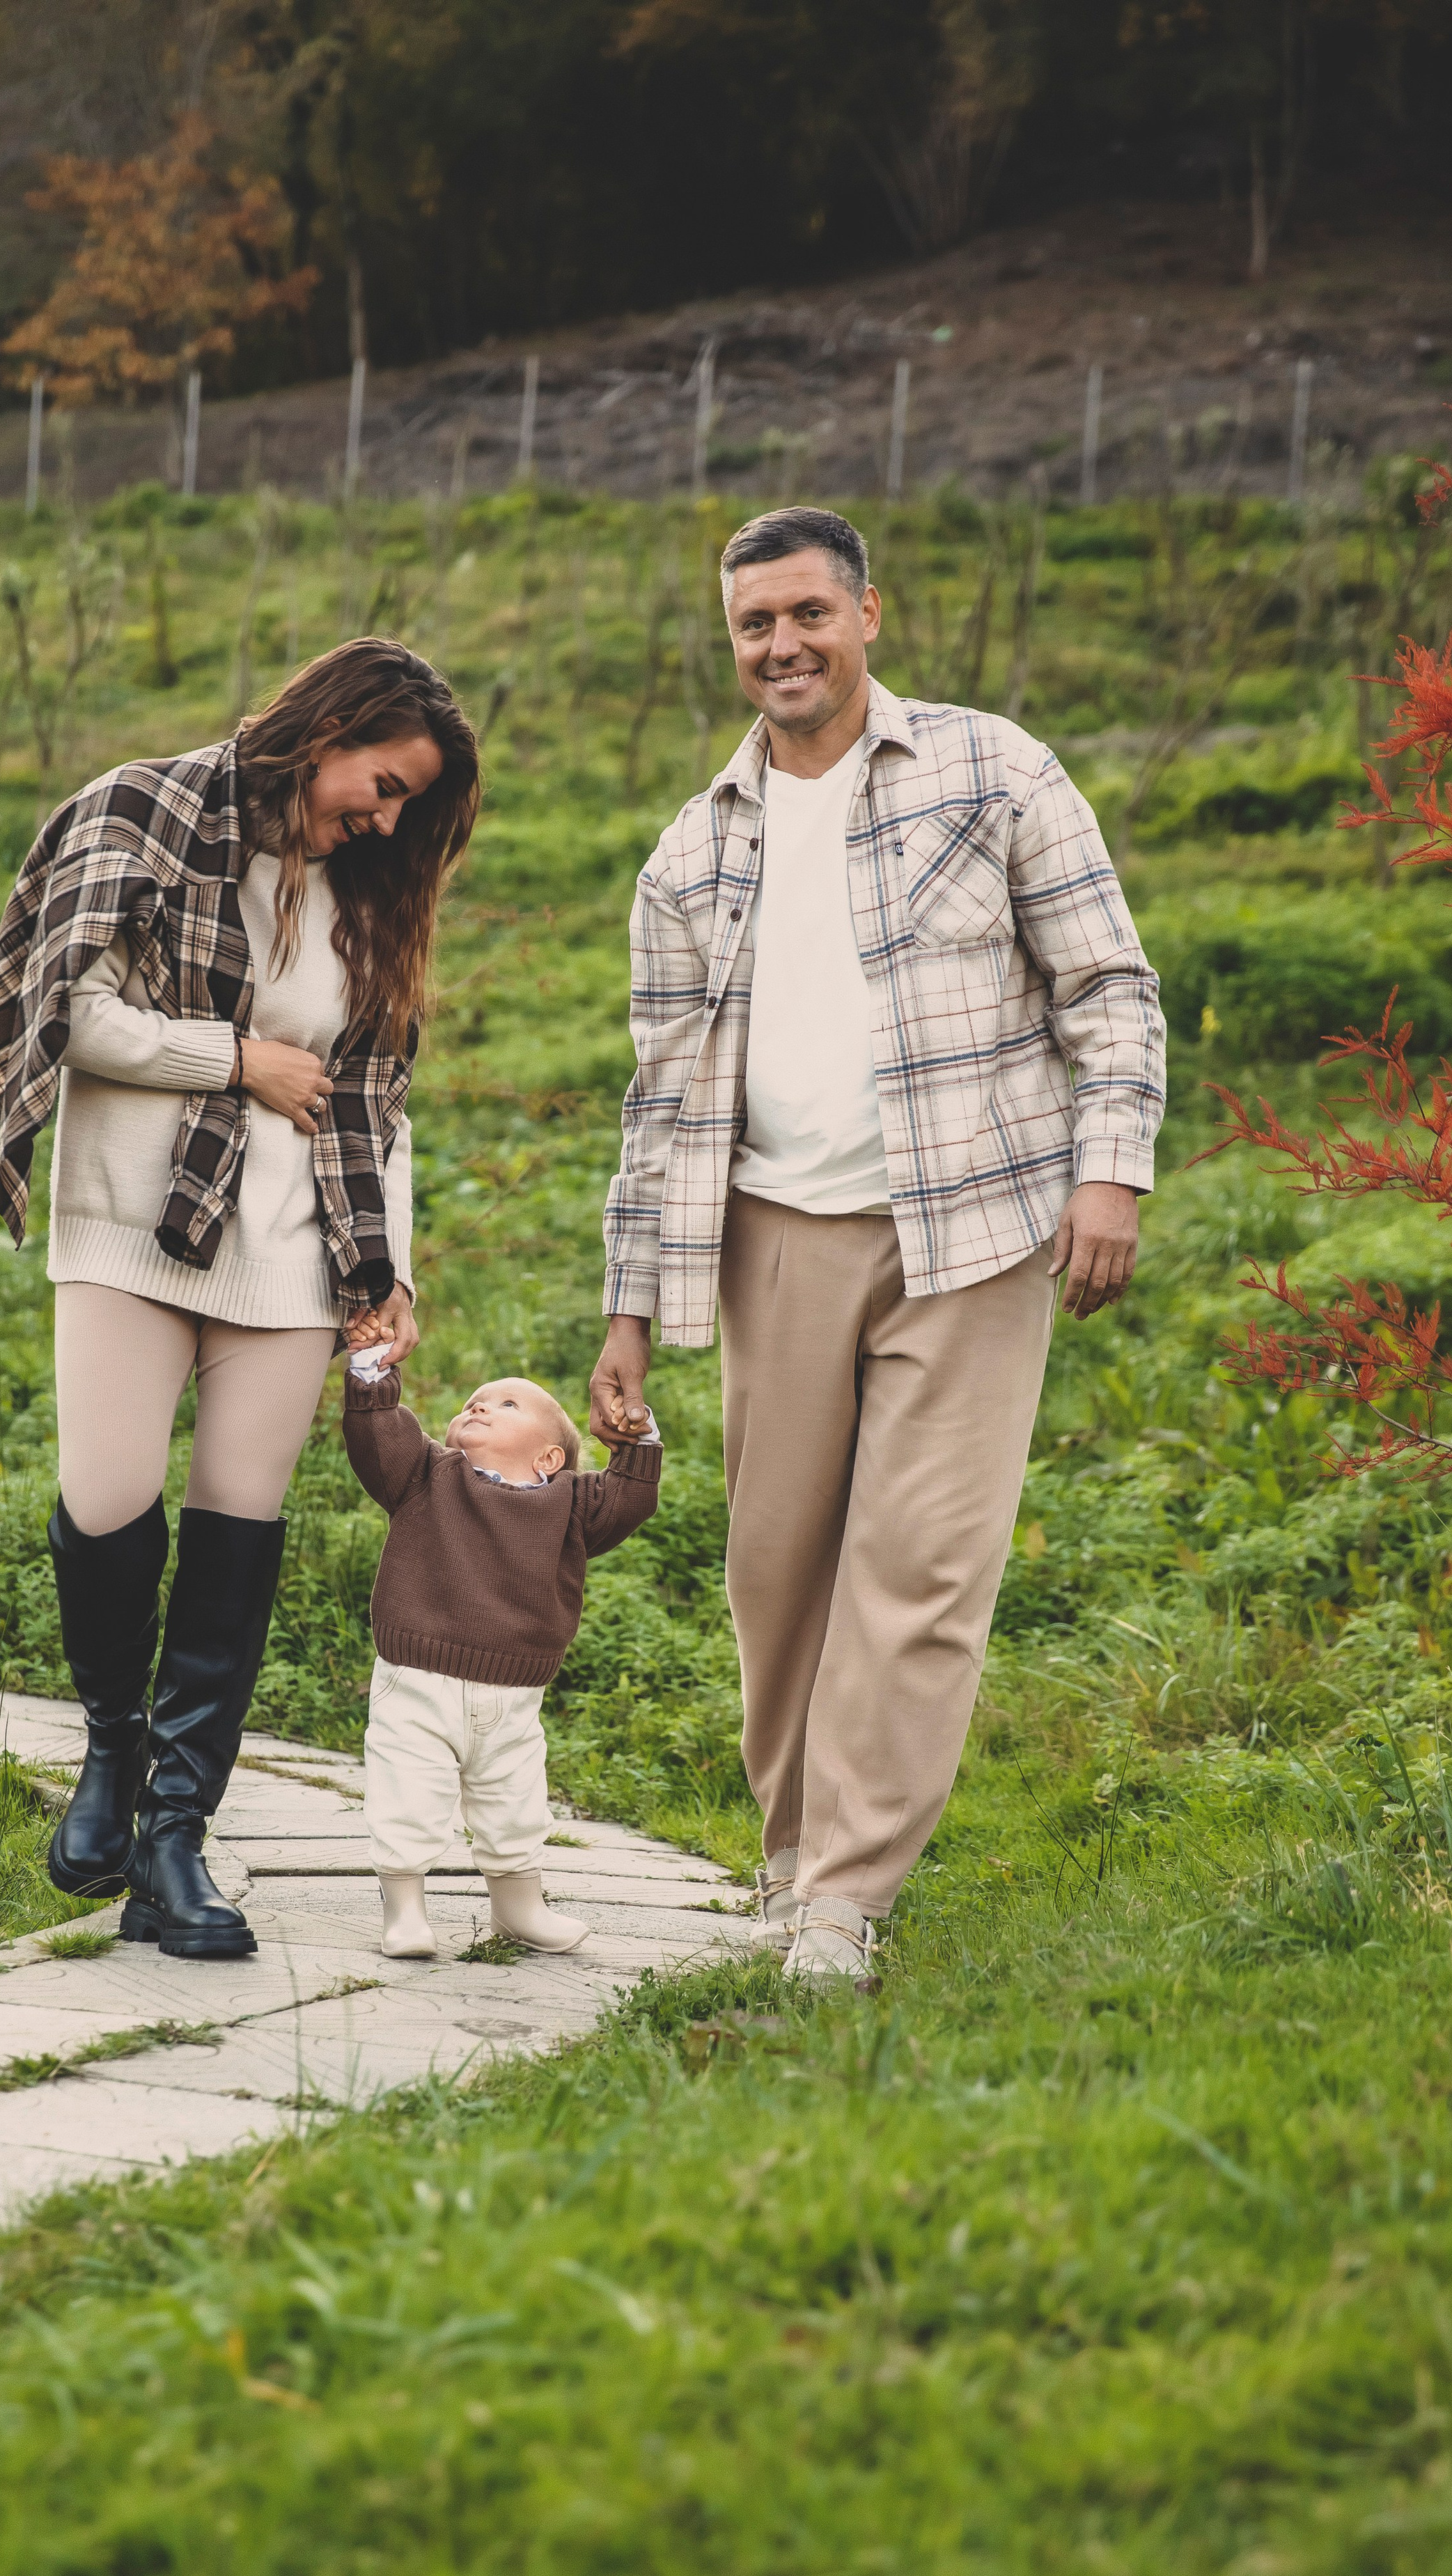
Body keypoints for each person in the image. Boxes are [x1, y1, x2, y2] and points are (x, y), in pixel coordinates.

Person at [591, 506, 1165, 1990]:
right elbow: (657, 1102)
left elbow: (1107, 983)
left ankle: (845, 1898)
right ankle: (789, 1857)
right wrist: (628, 1315)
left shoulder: (992, 771)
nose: (780, 645)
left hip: (970, 1230)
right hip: (774, 1236)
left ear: (867, 616)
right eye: (752, 626)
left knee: (914, 1567)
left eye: (804, 615)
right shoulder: (688, 851)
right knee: (775, 1568)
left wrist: (1111, 1176)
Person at [0, 638, 481, 1961]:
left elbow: (379, 1101)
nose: (384, 818)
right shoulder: (143, 809)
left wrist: (388, 1275)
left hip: (292, 1245)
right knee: (107, 1497)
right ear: (330, 728)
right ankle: (111, 1755)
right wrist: (236, 1060)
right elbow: (64, 1008)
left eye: (405, 807)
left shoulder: (370, 896)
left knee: (238, 1525)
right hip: (132, 1217)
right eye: (381, 784)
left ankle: (174, 1838)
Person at [341, 1349, 662, 1958]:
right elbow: (378, 1439)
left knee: (516, 1802)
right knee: (407, 1794)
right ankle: (404, 1908)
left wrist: (636, 1435)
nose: (480, 1404)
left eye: (507, 1403)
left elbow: (630, 1498)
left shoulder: (571, 1503)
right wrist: (372, 1372)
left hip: (514, 1695)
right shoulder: (428, 1474)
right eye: (473, 1402)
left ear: (549, 1458)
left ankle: (519, 1908)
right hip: (417, 1682)